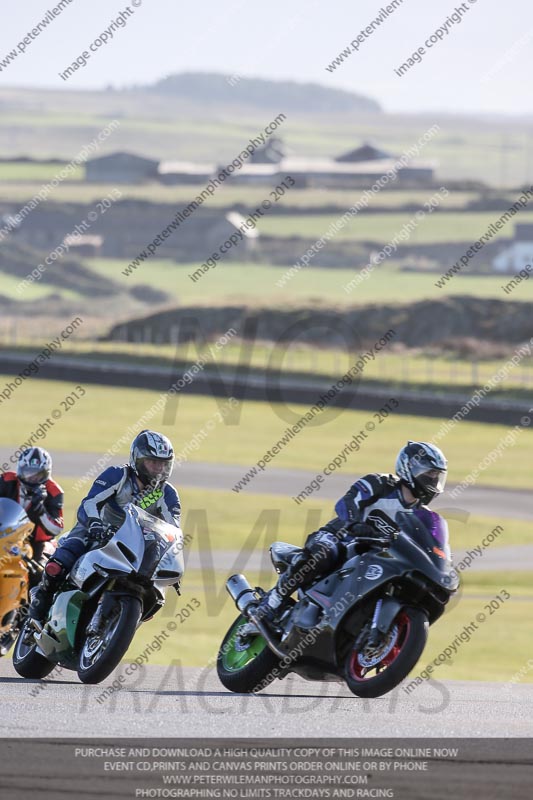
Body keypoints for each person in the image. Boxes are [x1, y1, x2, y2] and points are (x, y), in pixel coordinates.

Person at [254, 441, 448, 627]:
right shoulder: (380, 483)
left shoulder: (423, 516)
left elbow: (427, 544)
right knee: (323, 554)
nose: (434, 480)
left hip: (371, 557)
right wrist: (354, 523)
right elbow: (346, 503)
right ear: (410, 468)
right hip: (339, 537)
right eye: (430, 473)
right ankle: (271, 602)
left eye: (438, 475)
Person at [28, 430, 181, 623]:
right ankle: (42, 596)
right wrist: (94, 523)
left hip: (135, 544)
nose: (157, 469)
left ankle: (119, 622)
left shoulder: (168, 494)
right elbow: (90, 502)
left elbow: (173, 530)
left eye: (163, 463)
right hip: (96, 530)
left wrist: (171, 560)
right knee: (60, 562)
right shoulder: (117, 475)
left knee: (154, 593)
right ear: (137, 459)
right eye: (152, 462)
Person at [0, 447, 64, 651]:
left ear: (46, 474)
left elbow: (56, 526)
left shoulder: (54, 492)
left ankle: (23, 620)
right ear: (20, 469)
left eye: (37, 474)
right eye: (27, 472)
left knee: (41, 574)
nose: (31, 477)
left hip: (35, 541)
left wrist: (41, 510)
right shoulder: (7, 480)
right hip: (5, 534)